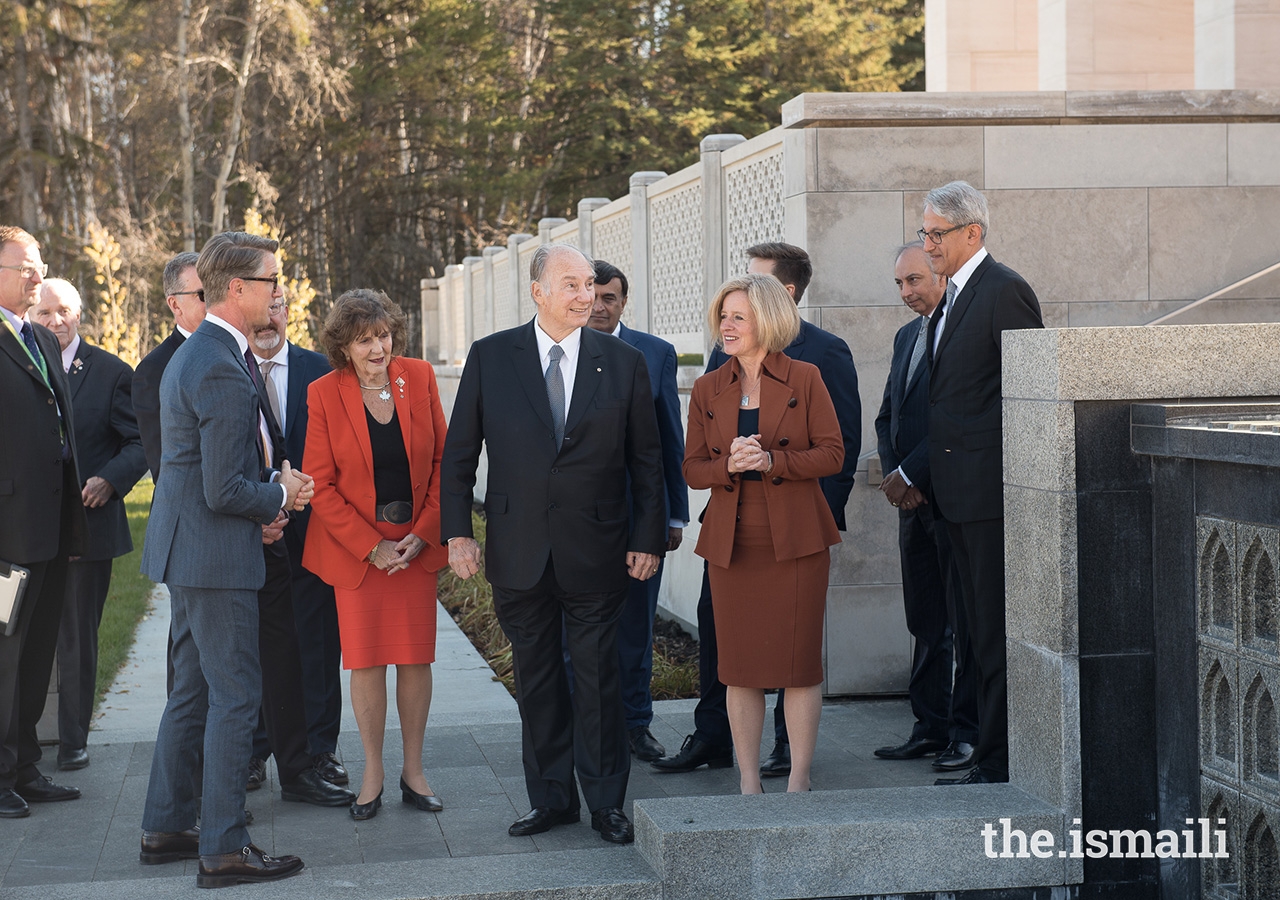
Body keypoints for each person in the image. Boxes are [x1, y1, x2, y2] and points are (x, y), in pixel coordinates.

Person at [441, 243, 666, 844]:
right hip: (519, 553)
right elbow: (460, 454)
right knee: (537, 680)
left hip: (597, 550)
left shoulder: (622, 362)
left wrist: (649, 536)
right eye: (570, 284)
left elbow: (646, 460)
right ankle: (551, 800)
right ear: (537, 290)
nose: (584, 295)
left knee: (598, 681)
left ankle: (605, 804)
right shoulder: (491, 357)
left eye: (589, 284)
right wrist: (458, 532)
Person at [139, 231, 312, 888]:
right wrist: (282, 494)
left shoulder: (209, 350)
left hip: (195, 550)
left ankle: (168, 825)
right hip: (213, 558)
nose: (280, 292)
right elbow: (223, 487)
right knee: (237, 698)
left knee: (193, 691)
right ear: (237, 289)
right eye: (271, 281)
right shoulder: (216, 361)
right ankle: (224, 847)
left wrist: (266, 497)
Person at [653, 241, 860, 780]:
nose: (727, 325)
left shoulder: (807, 377)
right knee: (738, 667)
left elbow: (834, 453)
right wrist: (729, 468)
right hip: (732, 543)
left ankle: (797, 781)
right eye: (723, 316)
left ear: (766, 318)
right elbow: (691, 467)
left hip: (795, 540)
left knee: (796, 667)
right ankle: (748, 783)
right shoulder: (706, 388)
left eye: (738, 316)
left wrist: (771, 459)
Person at [302, 289, 449, 821]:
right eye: (364, 339)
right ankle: (372, 772)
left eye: (383, 335)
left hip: (414, 548)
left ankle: (414, 770)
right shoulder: (323, 393)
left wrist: (426, 531)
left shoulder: (422, 377)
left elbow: (442, 463)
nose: (377, 348)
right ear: (344, 346)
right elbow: (320, 483)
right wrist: (372, 547)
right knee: (364, 661)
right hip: (360, 554)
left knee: (415, 658)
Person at [920, 181, 1043, 786]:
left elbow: (1025, 395)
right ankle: (985, 748)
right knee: (970, 631)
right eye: (924, 234)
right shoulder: (948, 298)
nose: (928, 245)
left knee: (992, 633)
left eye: (936, 234)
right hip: (952, 497)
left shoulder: (1004, 290)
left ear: (973, 233)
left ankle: (998, 759)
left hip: (988, 496)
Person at [32, 279, 148, 772]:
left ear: (80, 314)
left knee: (76, 638)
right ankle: (22, 740)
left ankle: (73, 739)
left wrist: (110, 480)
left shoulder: (112, 372)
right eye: (44, 313)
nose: (55, 321)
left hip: (88, 527)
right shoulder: (18, 365)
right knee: (21, 632)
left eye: (64, 311)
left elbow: (141, 442)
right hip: (26, 529)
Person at [872, 243, 978, 772]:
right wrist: (896, 475)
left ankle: (966, 732)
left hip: (951, 498)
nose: (907, 291)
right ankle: (929, 726)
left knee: (962, 622)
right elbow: (887, 414)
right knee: (925, 619)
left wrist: (912, 474)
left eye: (915, 279)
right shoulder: (905, 336)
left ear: (939, 275)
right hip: (910, 503)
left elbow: (955, 416)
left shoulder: (958, 333)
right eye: (900, 283)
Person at [0, 227, 89, 819]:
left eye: (40, 265)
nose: (37, 275)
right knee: (3, 654)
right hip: (6, 535)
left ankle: (24, 767)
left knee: (34, 656)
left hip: (50, 528)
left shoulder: (35, 335)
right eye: (26, 267)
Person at [586, 259, 689, 762]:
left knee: (635, 631)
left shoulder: (656, 353)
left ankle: (635, 725)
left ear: (624, 302)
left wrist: (672, 516)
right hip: (577, 523)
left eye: (611, 297)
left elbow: (671, 438)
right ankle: (583, 726)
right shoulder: (562, 352)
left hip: (638, 519)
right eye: (594, 295)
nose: (601, 306)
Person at [249, 301, 344, 787]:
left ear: (290, 313)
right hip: (255, 530)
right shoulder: (233, 370)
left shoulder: (319, 370)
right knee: (261, 643)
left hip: (318, 529)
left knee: (319, 641)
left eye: (277, 309)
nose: (269, 320)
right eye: (261, 311)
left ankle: (321, 749)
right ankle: (256, 748)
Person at [133, 252, 203, 484]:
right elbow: (166, 467)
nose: (214, 301)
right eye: (202, 294)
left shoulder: (240, 352)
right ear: (175, 304)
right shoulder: (154, 369)